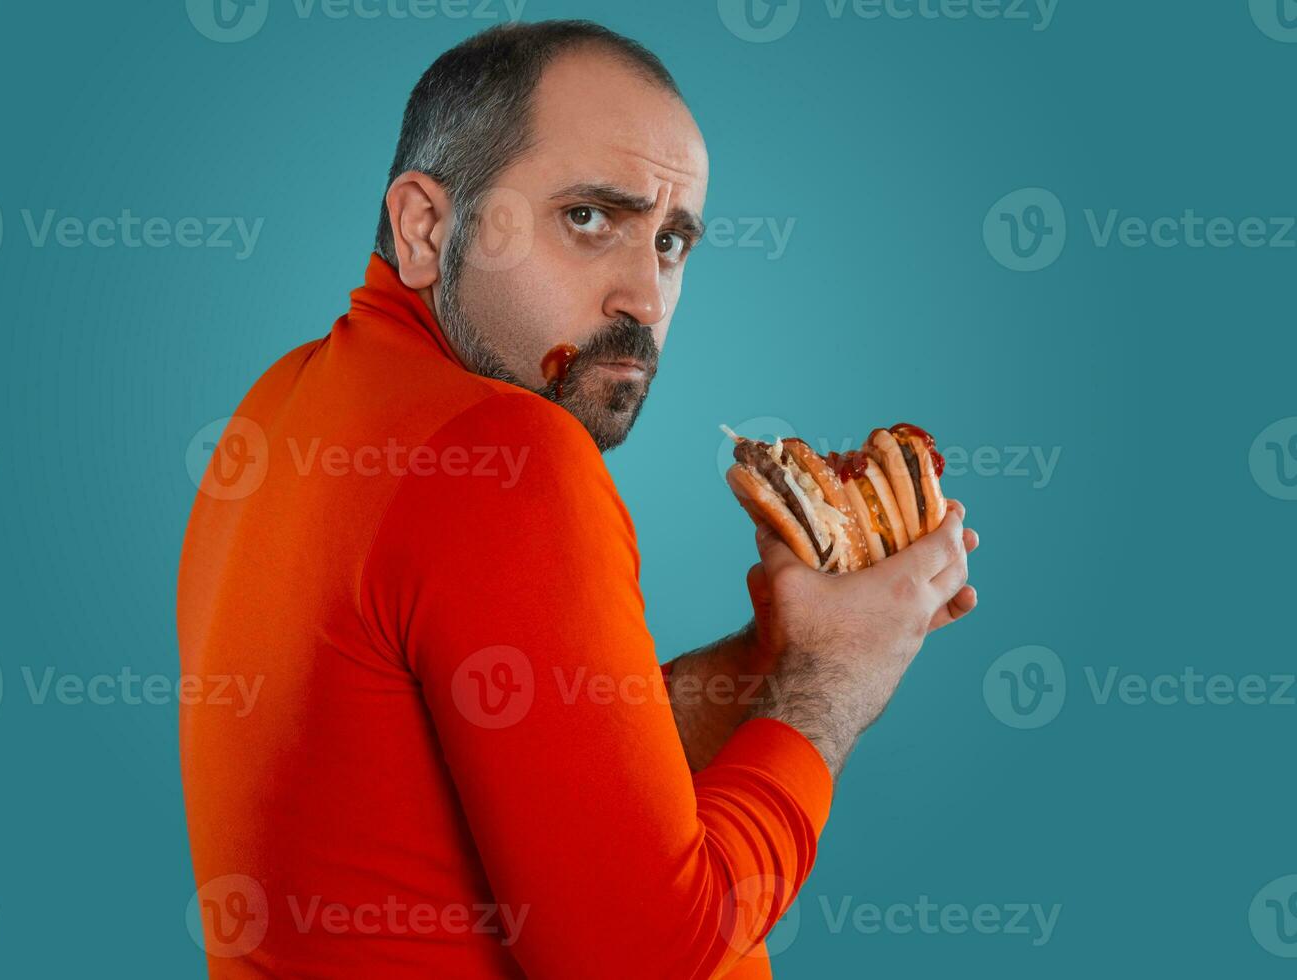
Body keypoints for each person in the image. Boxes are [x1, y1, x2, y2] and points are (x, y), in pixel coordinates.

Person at [177, 19, 977, 978]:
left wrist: (777, 654)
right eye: (590, 218)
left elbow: (541, 774)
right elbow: (648, 963)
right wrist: (829, 691)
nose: (644, 295)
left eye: (672, 239)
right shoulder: (507, 452)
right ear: (426, 227)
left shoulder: (280, 405)